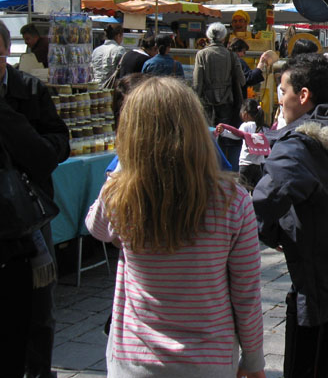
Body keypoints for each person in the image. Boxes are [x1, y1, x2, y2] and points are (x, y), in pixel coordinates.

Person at [85, 77, 265, 377]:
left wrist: (122, 170)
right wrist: (254, 360)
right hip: (208, 360)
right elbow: (246, 292)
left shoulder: (121, 192)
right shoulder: (233, 201)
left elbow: (97, 229)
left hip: (133, 360)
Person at [253, 56, 328, 378]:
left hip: (317, 284)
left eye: (282, 90)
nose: (279, 97)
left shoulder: (298, 144)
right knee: (327, 364)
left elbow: (264, 199)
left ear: (302, 96)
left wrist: (273, 235)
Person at [0, 21, 70, 378]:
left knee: (38, 303)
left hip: (28, 215)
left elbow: (58, 142)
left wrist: (38, 151)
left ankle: (40, 370)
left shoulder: (29, 89)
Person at [194, 23, 245, 127]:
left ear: (208, 36)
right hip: (226, 99)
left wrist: (195, 100)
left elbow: (197, 82)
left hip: (207, 99)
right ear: (224, 37)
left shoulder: (202, 54)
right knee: (223, 131)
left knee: (208, 131)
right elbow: (242, 80)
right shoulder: (231, 55)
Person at [217, 99, 268, 191]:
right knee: (258, 190)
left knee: (243, 190)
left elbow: (236, 135)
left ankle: (244, 205)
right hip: (259, 164)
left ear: (245, 114)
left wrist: (223, 132)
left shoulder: (246, 125)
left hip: (245, 164)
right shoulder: (263, 127)